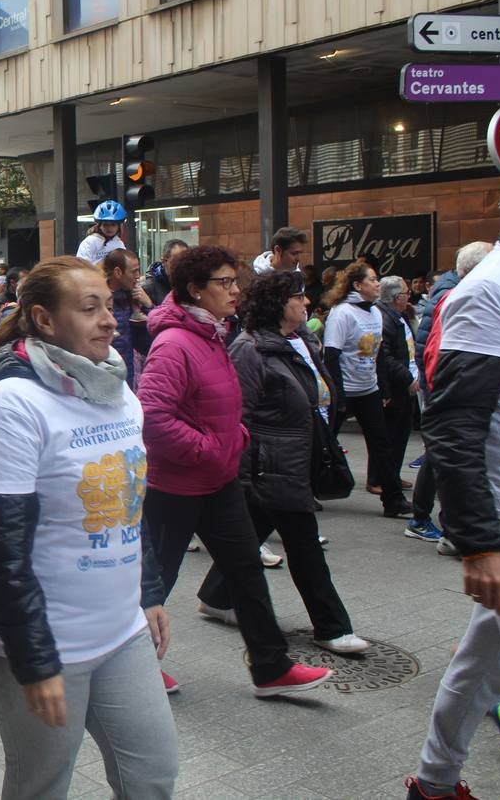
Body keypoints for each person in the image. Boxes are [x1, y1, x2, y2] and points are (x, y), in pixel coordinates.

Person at [0, 256, 178, 800]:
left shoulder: (119, 392)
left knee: (152, 776)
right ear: (43, 319)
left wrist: (148, 592)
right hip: (39, 641)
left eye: (109, 305)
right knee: (42, 786)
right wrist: (34, 662)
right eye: (89, 308)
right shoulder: (12, 406)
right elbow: (0, 551)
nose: (110, 319)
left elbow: (130, 503)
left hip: (120, 629)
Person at [404, 150, 500, 800]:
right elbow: (454, 423)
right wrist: (480, 543)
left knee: (484, 666)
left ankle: (433, 783)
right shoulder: (495, 287)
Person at [138, 245, 332, 697]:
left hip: (218, 479)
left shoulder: (213, 332)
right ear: (194, 290)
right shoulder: (174, 342)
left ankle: (271, 667)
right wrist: (208, 448)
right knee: (154, 580)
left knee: (246, 570)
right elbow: (153, 415)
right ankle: (136, 665)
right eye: (223, 283)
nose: (235, 291)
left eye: (234, 280)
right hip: (177, 484)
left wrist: (235, 439)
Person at [193, 272, 368, 655]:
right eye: (298, 297)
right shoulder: (250, 349)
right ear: (278, 304)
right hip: (272, 467)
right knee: (304, 546)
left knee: (252, 535)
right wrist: (245, 472)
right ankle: (331, 626)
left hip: (297, 459)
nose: (306, 303)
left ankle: (217, 597)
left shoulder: (302, 342)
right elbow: (239, 415)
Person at [408, 242, 493, 550]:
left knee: (439, 454)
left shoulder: (452, 294)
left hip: (445, 388)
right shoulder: (457, 297)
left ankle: (442, 525)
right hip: (447, 390)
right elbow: (434, 350)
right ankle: (446, 528)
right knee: (446, 455)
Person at [322, 262, 411, 518]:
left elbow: (378, 355)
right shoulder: (343, 313)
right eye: (372, 279)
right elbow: (331, 356)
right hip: (345, 390)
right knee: (326, 442)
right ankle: (309, 490)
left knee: (381, 445)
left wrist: (382, 388)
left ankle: (393, 500)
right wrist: (337, 395)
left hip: (368, 390)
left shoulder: (374, 313)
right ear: (358, 285)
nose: (377, 283)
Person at [368, 276, 419, 501]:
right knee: (387, 435)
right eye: (406, 292)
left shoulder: (398, 316)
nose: (409, 296)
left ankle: (392, 475)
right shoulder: (383, 318)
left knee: (400, 433)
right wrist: (406, 378)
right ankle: (378, 479)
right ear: (397, 297)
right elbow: (385, 357)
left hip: (403, 384)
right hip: (393, 385)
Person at [98, 248, 154, 389]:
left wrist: (148, 306)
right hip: (103, 375)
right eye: (134, 271)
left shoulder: (131, 298)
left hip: (126, 375)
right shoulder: (98, 299)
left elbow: (146, 344)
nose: (138, 276)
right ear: (118, 272)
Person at [75, 200, 126, 264]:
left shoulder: (119, 244)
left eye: (113, 225)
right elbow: (82, 265)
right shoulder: (90, 242)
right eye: (105, 224)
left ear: (119, 227)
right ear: (99, 226)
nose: (109, 228)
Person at [141, 239, 188, 307]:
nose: (182, 266)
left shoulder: (190, 284)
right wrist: (150, 305)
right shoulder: (148, 288)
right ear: (164, 261)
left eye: (185, 262)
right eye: (177, 262)